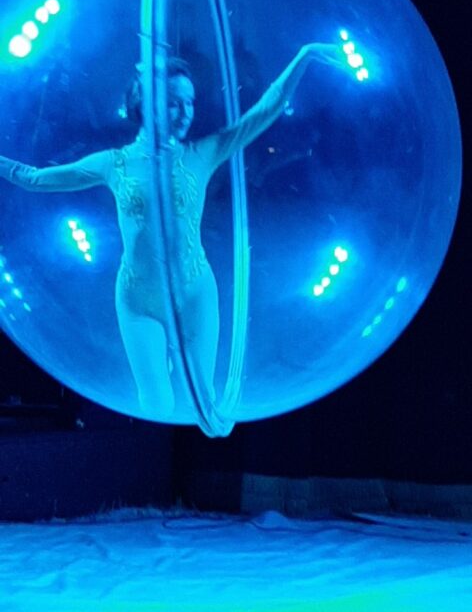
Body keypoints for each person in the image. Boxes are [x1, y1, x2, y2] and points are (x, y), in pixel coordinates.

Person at [0, 43, 343, 437]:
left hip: (194, 294)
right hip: (139, 300)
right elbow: (33, 178)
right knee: (157, 405)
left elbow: (264, 111)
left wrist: (304, 56)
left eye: (190, 103)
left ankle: (195, 387)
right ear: (146, 104)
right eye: (174, 103)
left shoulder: (202, 153)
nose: (185, 113)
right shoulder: (114, 163)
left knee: (210, 418)